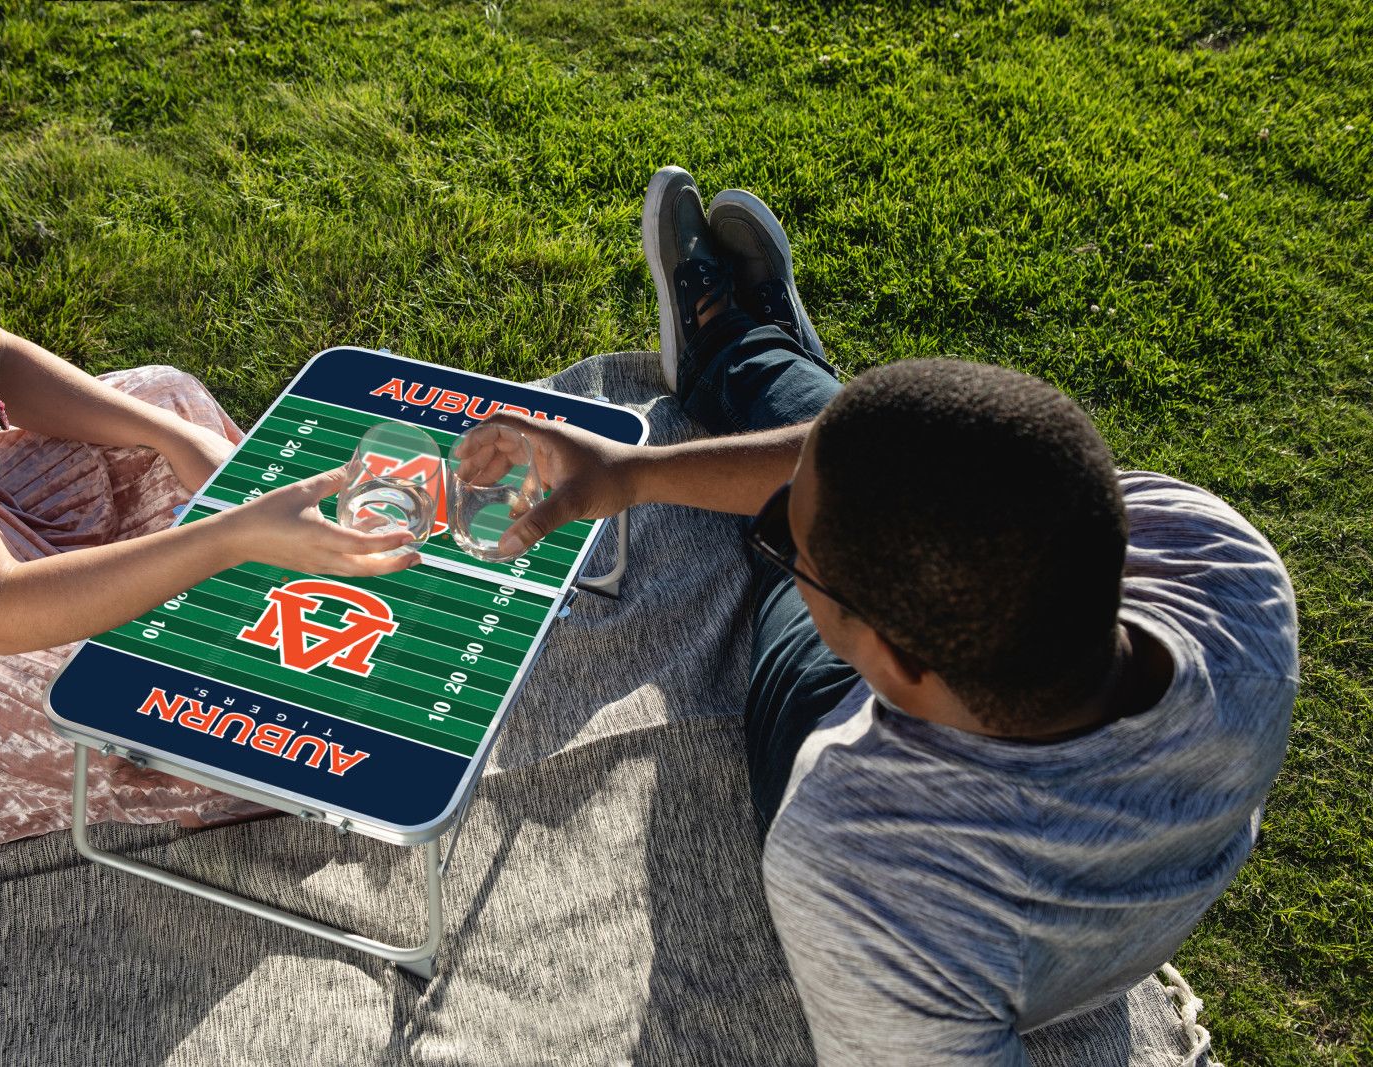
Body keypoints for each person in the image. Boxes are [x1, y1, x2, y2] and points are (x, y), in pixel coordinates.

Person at [490, 166, 1297, 1063]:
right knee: (870, 453)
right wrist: (628, 473)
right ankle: (760, 360)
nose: (779, 548)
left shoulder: (861, 859)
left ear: (891, 661)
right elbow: (939, 472)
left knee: (817, 515)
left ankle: (745, 356)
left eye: (790, 550)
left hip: (841, 737)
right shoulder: (1224, 561)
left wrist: (745, 513)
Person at [0, 0, 417, 850]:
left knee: (165, 400)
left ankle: (269, 579)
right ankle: (266, 602)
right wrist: (230, 537)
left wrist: (174, 439)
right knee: (219, 720)